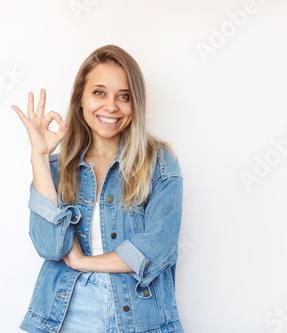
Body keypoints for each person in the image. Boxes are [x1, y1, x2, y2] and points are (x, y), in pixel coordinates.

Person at [12, 44, 184, 333]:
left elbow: (159, 246)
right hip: (66, 315)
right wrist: (40, 157)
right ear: (81, 97)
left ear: (135, 104)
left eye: (124, 96)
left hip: (141, 318)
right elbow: (49, 246)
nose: (111, 106)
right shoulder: (56, 169)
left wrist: (83, 261)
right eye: (99, 92)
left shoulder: (159, 162)